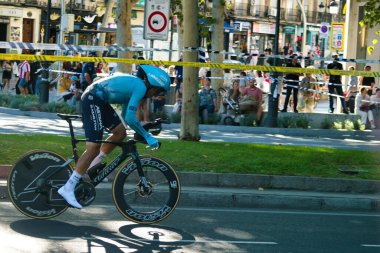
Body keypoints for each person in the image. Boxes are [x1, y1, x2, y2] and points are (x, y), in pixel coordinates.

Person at [58, 65, 171, 209]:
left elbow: (125, 115)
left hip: (99, 99)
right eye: (158, 91)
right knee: (93, 147)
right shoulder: (140, 88)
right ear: (152, 85)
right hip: (94, 98)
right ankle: (68, 188)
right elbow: (130, 117)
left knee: (120, 133)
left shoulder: (136, 86)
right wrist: (147, 136)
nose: (156, 95)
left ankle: (94, 165)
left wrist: (141, 129)